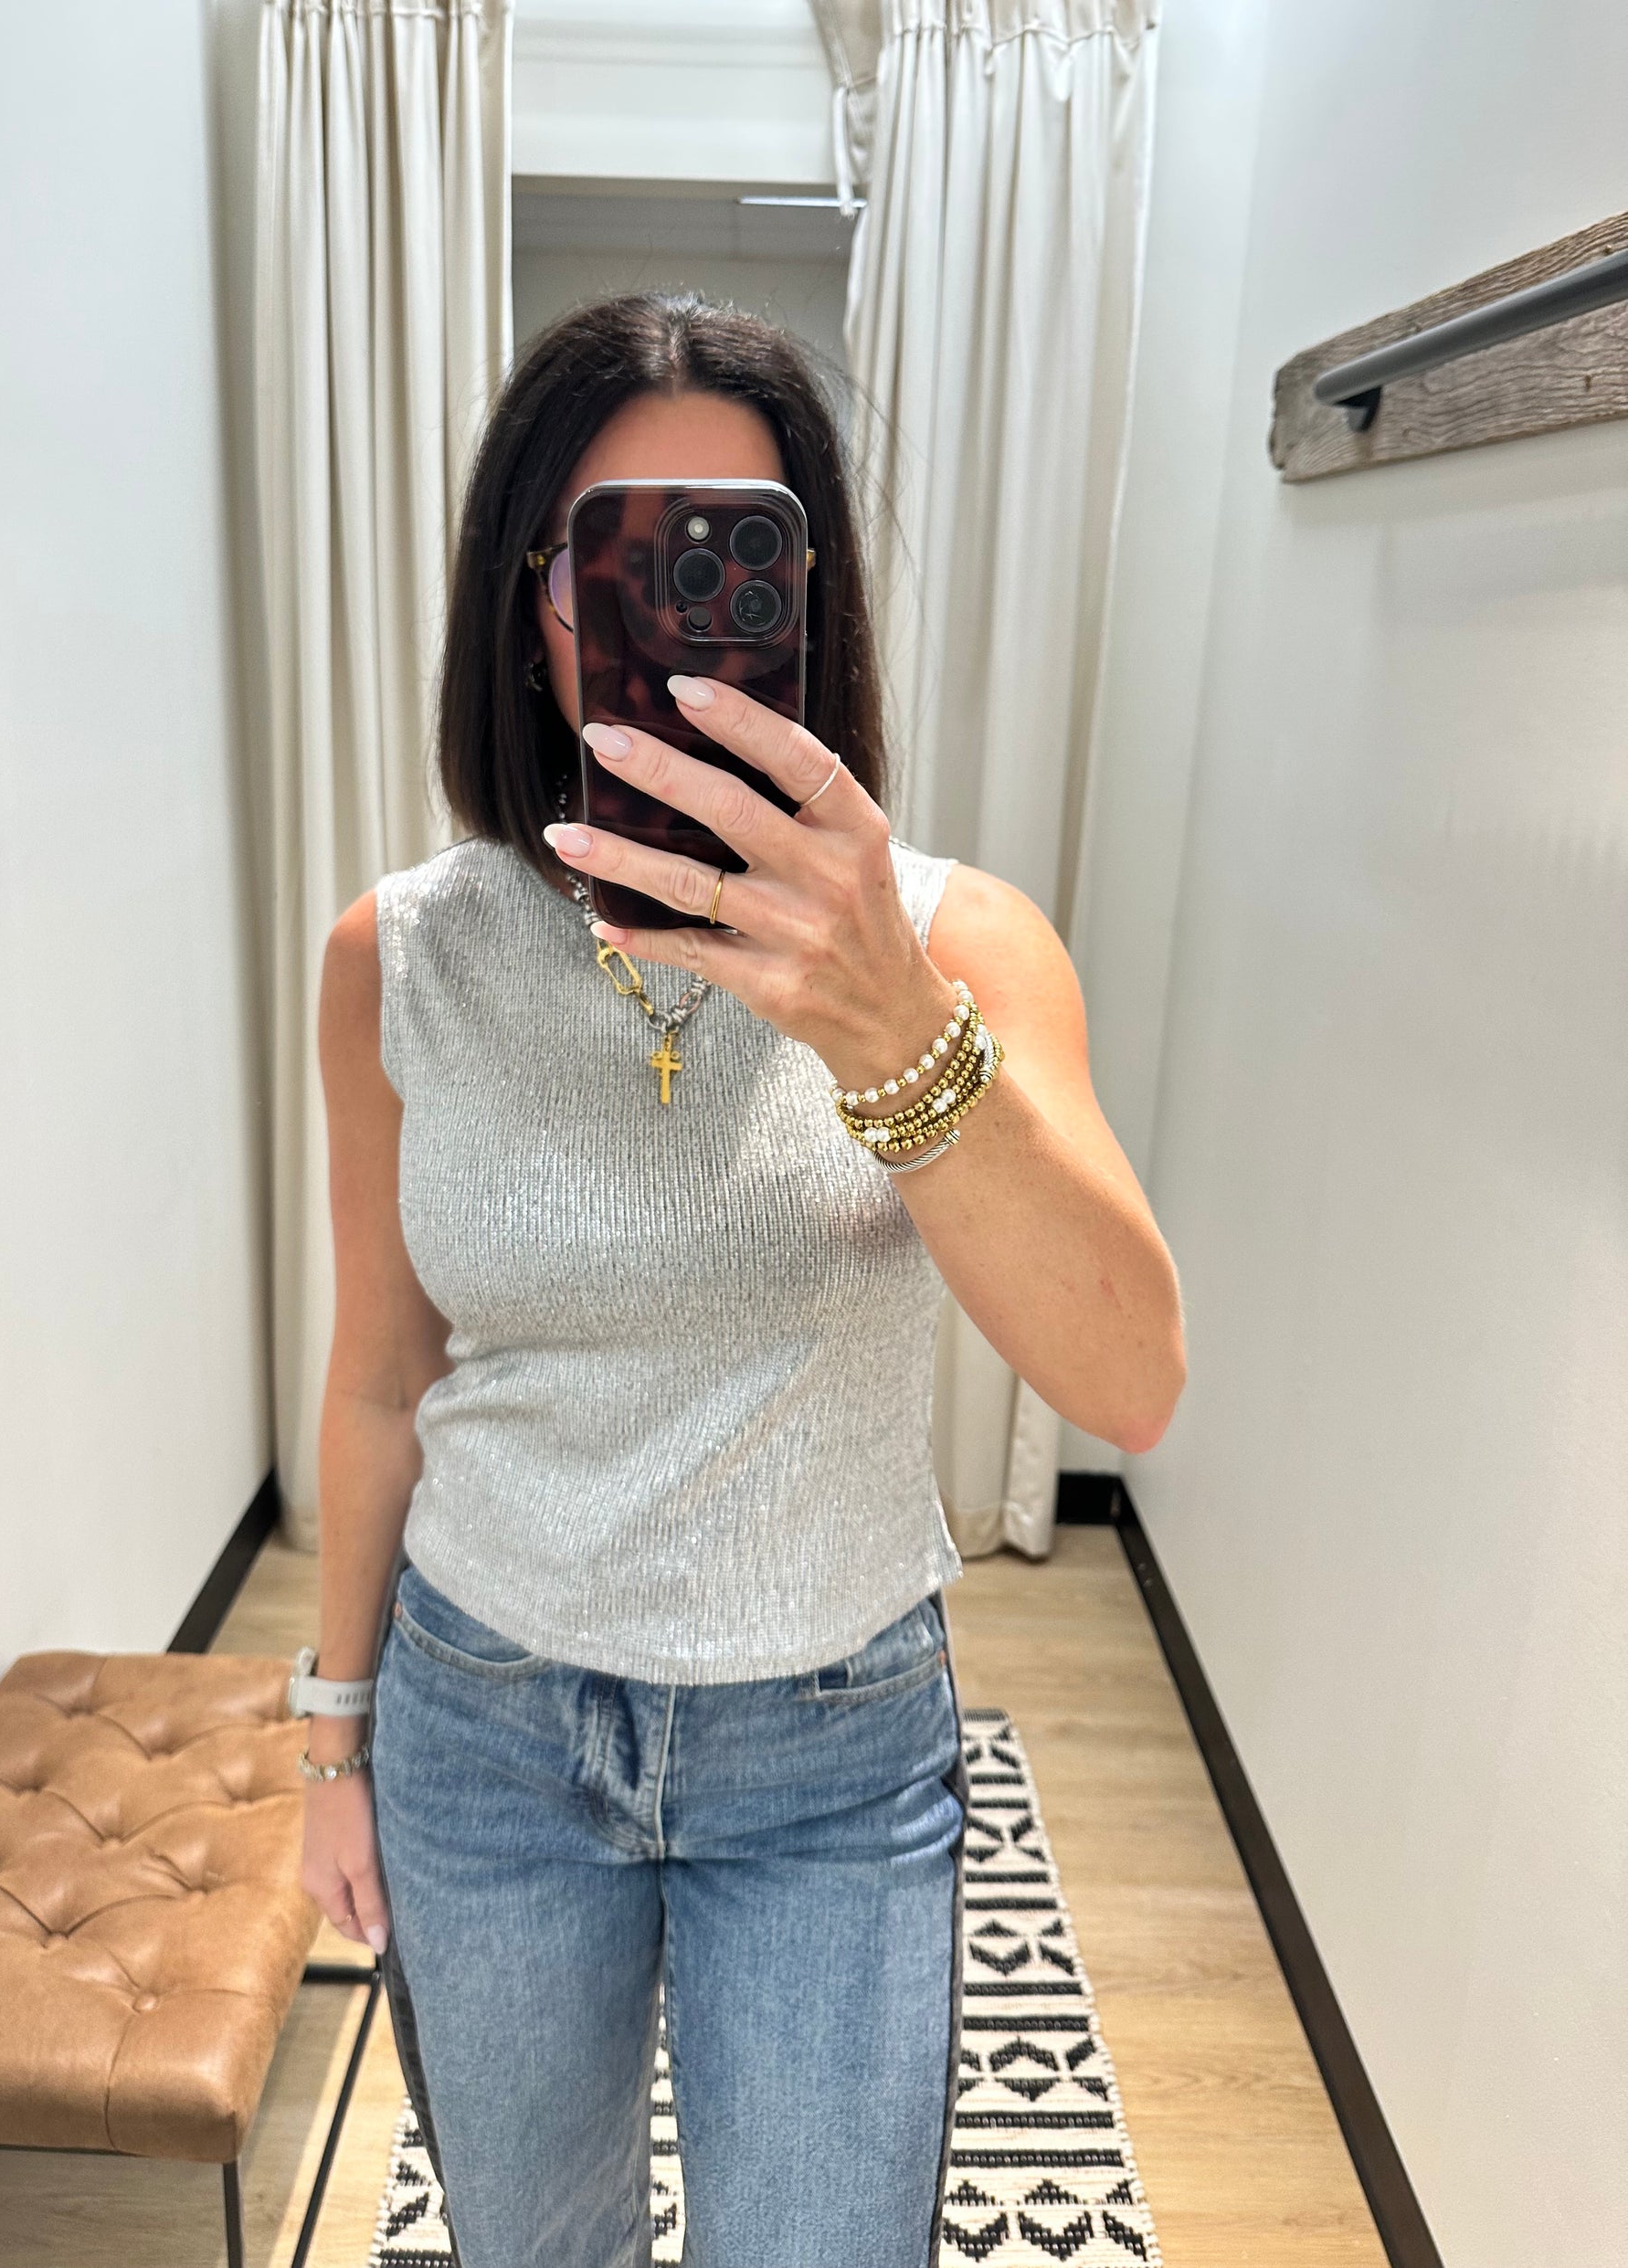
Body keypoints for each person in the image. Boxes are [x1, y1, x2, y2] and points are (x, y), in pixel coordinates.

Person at [297, 292, 1185, 2268]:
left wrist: (886, 1022)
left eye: (736, 558)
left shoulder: (959, 943)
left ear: (810, 598)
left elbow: (1128, 1377)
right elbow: (376, 1377)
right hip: (481, 1726)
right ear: (531, 602)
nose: (678, 622)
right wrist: (331, 1743)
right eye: (618, 562)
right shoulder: (398, 956)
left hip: (829, 1747)